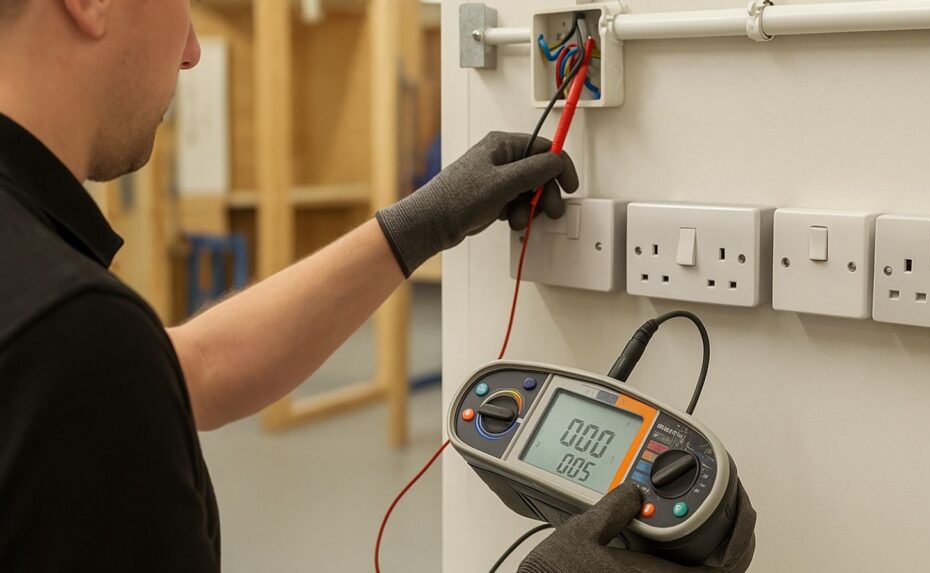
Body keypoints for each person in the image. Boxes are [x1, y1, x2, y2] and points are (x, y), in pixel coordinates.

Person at [0, 1, 754, 570]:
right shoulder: (70, 334)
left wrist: (415, 226)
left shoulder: (57, 317)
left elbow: (186, 368)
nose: (193, 50)